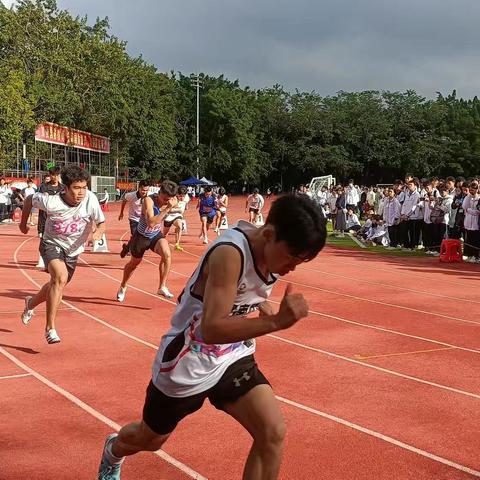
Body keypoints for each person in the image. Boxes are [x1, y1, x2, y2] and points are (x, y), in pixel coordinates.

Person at [97, 194, 327, 480]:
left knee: (272, 432)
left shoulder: (269, 250)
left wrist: (262, 305)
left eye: (301, 261)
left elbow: (241, 292)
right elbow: (212, 328)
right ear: (268, 234)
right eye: (292, 258)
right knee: (150, 439)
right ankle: (114, 450)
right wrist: (278, 322)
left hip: (231, 356)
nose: (292, 268)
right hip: (186, 360)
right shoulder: (230, 253)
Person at [19, 166, 106, 344]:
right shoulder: (51, 202)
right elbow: (28, 199)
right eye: (76, 188)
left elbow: (101, 223)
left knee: (57, 284)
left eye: (84, 187)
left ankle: (30, 303)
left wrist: (96, 234)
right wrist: (23, 224)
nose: (81, 192)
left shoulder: (91, 199)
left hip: (73, 250)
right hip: (51, 244)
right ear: (65, 188)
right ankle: (50, 328)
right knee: (60, 277)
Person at [116, 180, 178, 302]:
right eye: (165, 199)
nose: (167, 201)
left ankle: (162, 286)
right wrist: (167, 209)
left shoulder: (172, 200)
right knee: (134, 264)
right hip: (141, 237)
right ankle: (123, 285)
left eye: (169, 199)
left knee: (167, 254)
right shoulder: (148, 200)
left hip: (155, 235)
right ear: (159, 193)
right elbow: (151, 223)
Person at [118, 180, 151, 258]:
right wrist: (121, 212)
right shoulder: (131, 195)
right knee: (135, 234)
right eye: (143, 190)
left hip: (144, 219)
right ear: (138, 188)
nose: (144, 192)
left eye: (146, 190)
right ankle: (131, 250)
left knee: (140, 236)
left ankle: (127, 248)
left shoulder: (150, 196)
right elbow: (124, 200)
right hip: (134, 218)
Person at [163, 185, 189, 251]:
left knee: (180, 226)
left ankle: (177, 244)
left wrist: (186, 207)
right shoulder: (172, 199)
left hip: (178, 216)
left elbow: (186, 204)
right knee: (164, 234)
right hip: (169, 217)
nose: (182, 198)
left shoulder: (186, 198)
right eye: (180, 196)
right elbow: (168, 210)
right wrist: (178, 210)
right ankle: (162, 243)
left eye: (183, 196)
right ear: (177, 194)